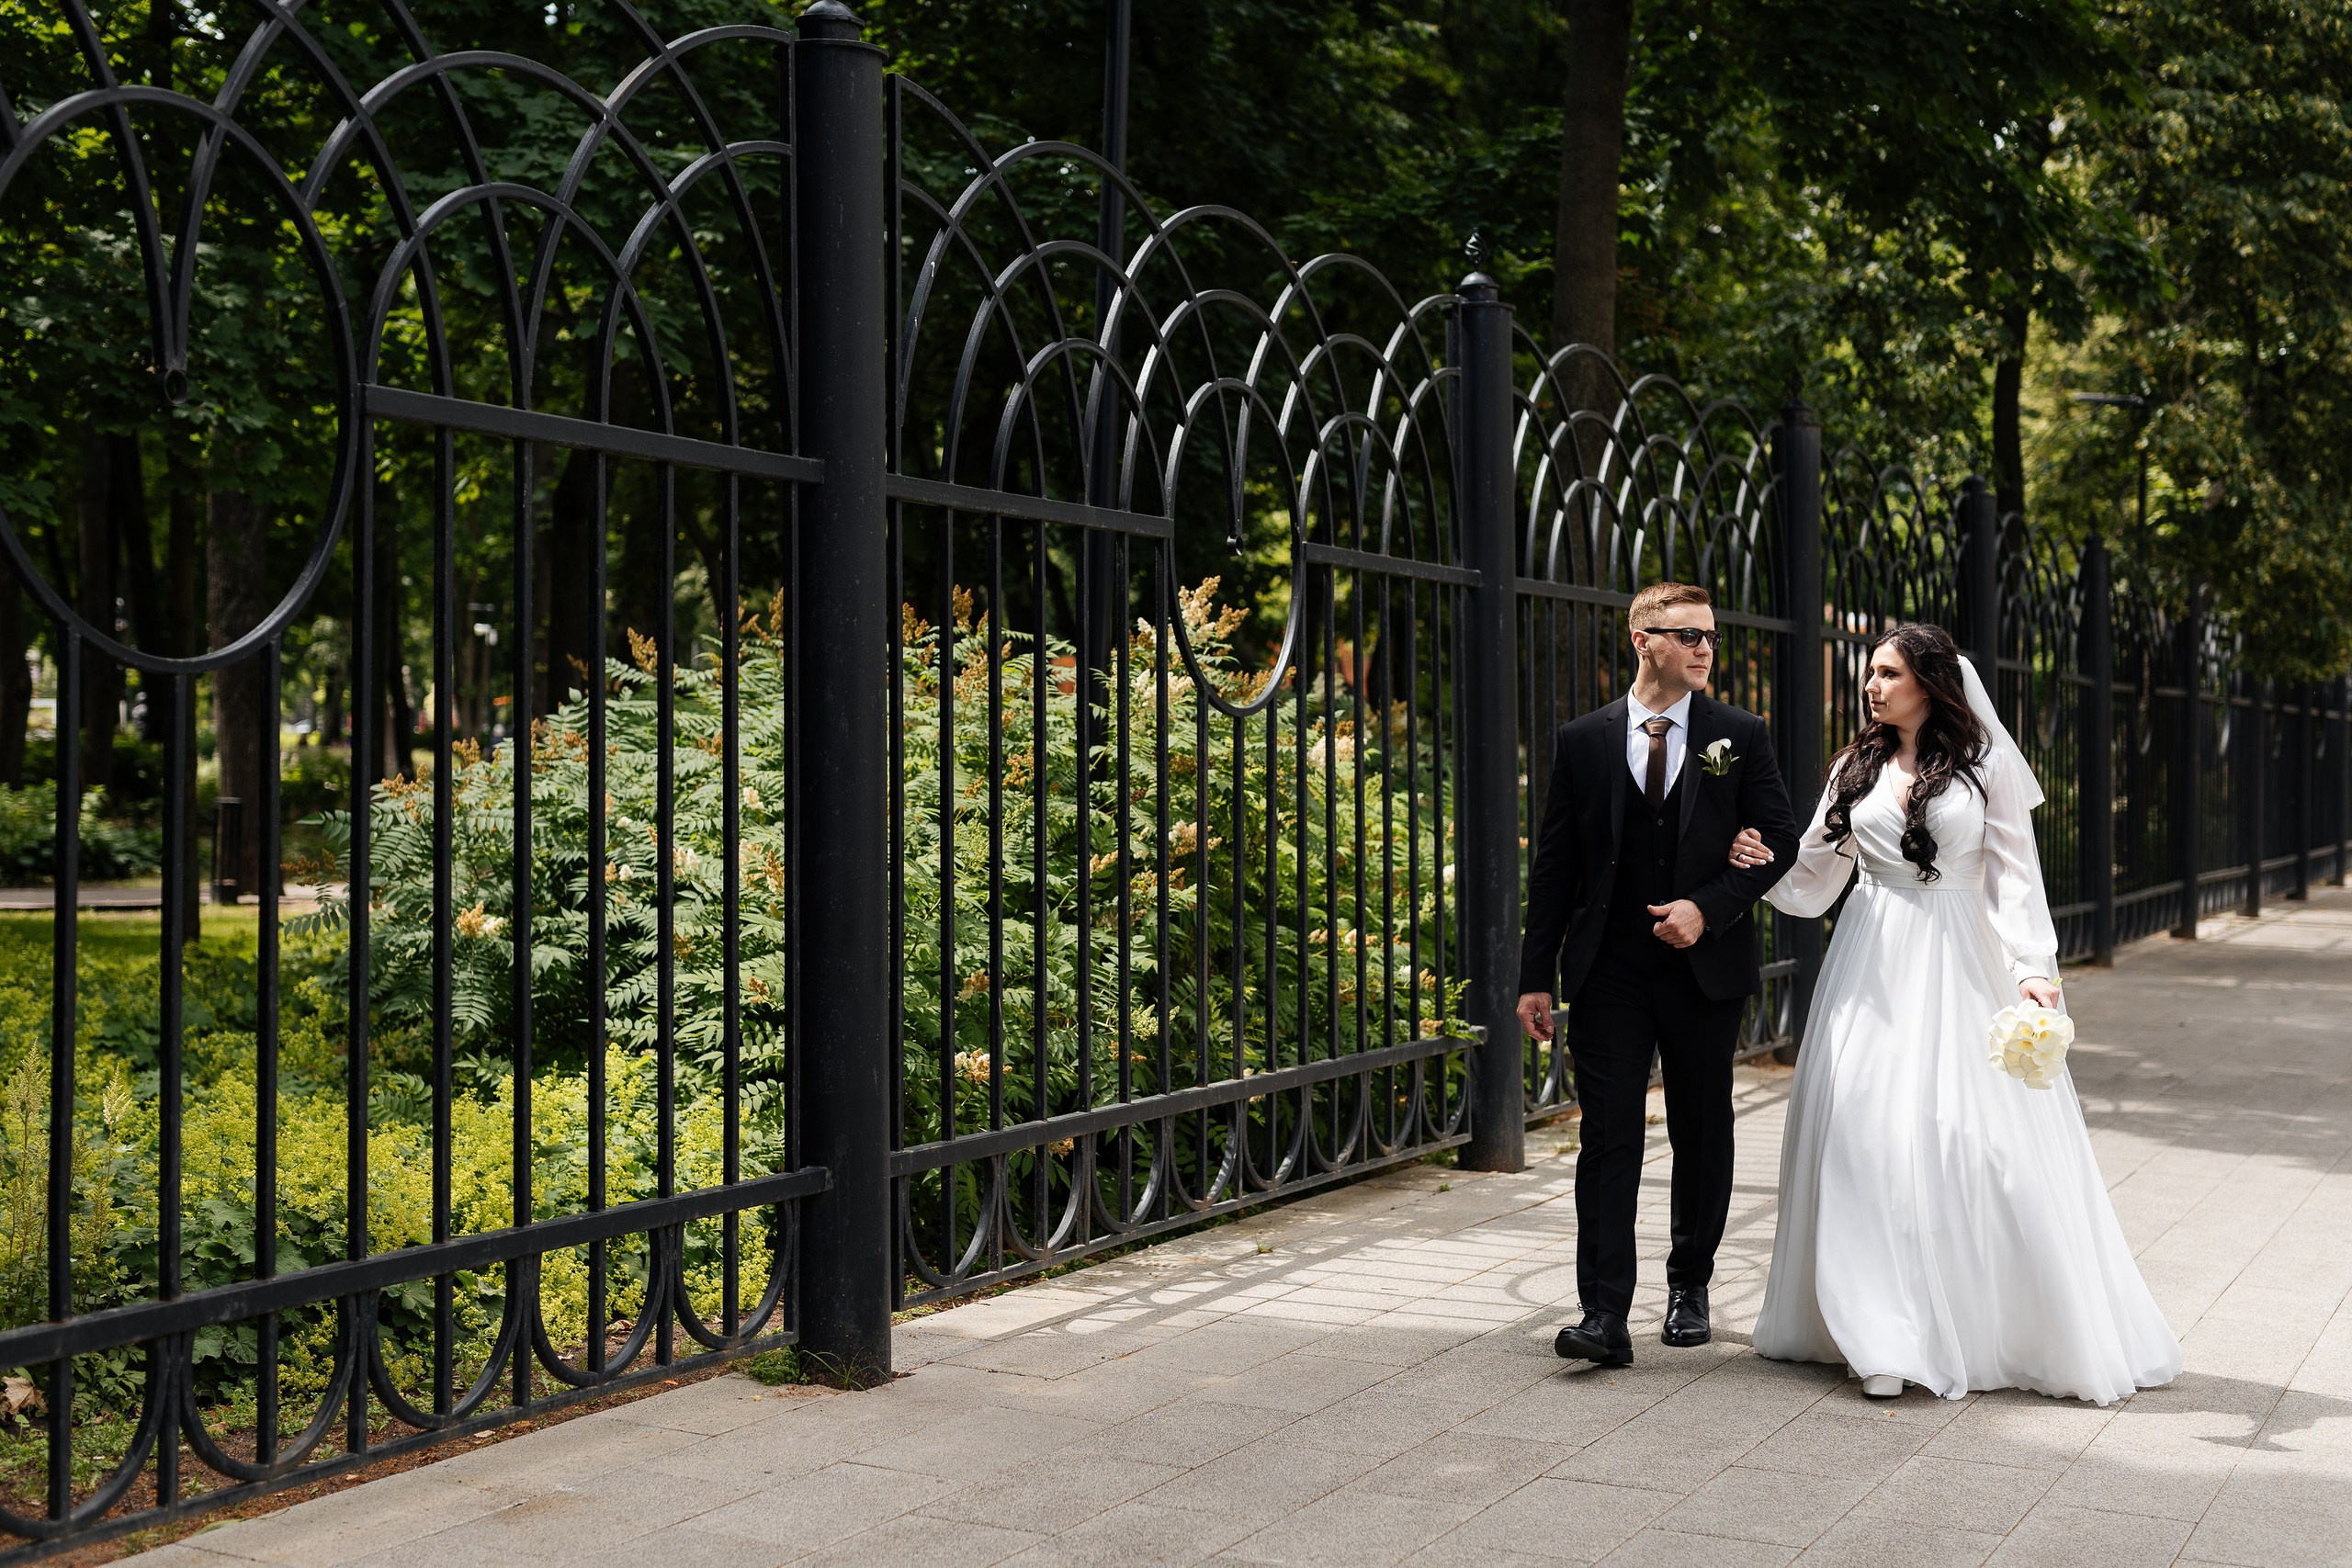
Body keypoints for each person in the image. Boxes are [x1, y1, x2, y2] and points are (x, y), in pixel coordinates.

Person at [1728, 623, 2182, 1404]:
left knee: (1964, 1137)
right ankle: (1880, 1335)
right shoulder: (1854, 766)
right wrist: (1757, 861)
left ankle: (1981, 1320)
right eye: (1870, 672)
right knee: (1862, 1133)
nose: (1872, 685)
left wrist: (2034, 970)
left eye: (1888, 672)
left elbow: (2015, 874)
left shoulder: (1989, 765)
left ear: (1933, 682)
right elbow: (1812, 874)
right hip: (1870, 963)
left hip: (1963, 959)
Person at [1516, 582, 1801, 1367]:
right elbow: (1557, 864)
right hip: (1608, 966)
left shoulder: (1739, 734)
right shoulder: (1586, 738)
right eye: (1690, 635)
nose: (1708, 647)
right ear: (1644, 640)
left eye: (1712, 635)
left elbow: (1779, 835)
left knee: (1701, 1129)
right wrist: (1535, 973)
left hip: (1704, 967)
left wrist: (1708, 907)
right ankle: (1604, 1313)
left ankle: (1690, 1285)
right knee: (1607, 1137)